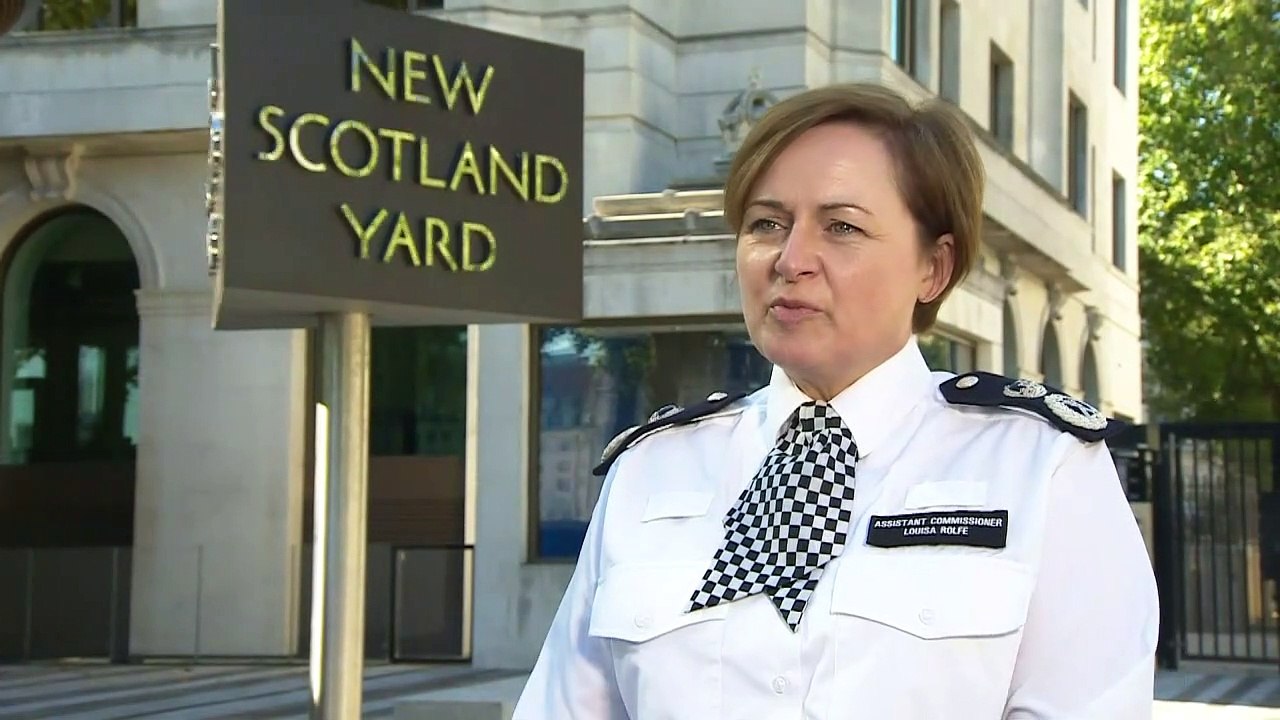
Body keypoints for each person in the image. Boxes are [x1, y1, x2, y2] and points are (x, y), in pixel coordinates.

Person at [512, 82, 1159, 719]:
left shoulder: (1039, 467)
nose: (790, 259)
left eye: (842, 226)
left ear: (933, 268)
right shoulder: (650, 470)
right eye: (767, 224)